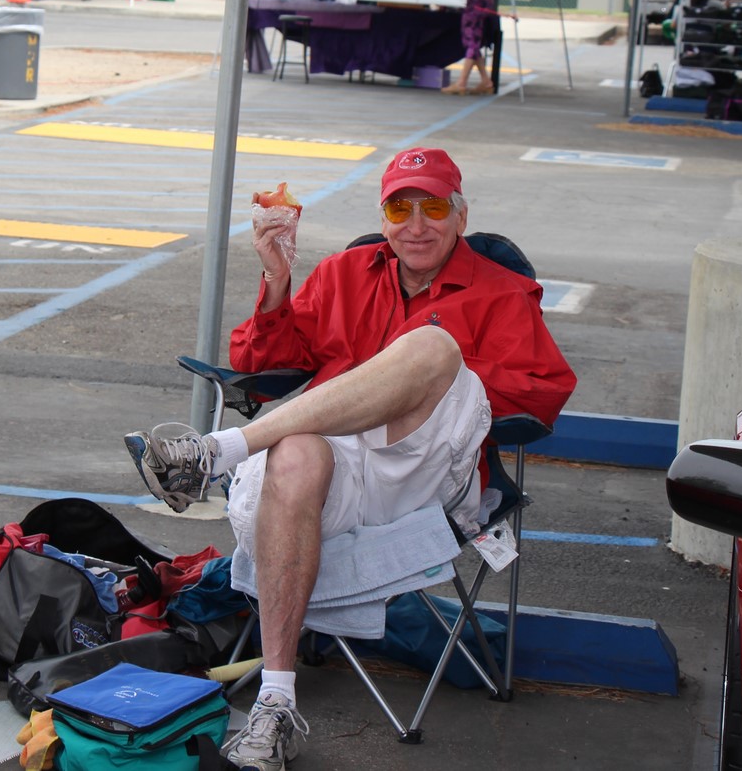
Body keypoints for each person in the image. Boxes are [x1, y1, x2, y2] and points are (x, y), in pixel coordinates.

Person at [125, 147, 576, 771]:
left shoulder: (501, 292)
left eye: (434, 207)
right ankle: (275, 705)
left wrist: (426, 384)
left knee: (432, 349)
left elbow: (542, 394)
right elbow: (262, 367)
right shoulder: (345, 272)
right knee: (295, 457)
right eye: (400, 207)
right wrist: (277, 278)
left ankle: (216, 452)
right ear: (384, 216)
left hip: (425, 471)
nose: (416, 224)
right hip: (333, 469)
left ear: (461, 216)